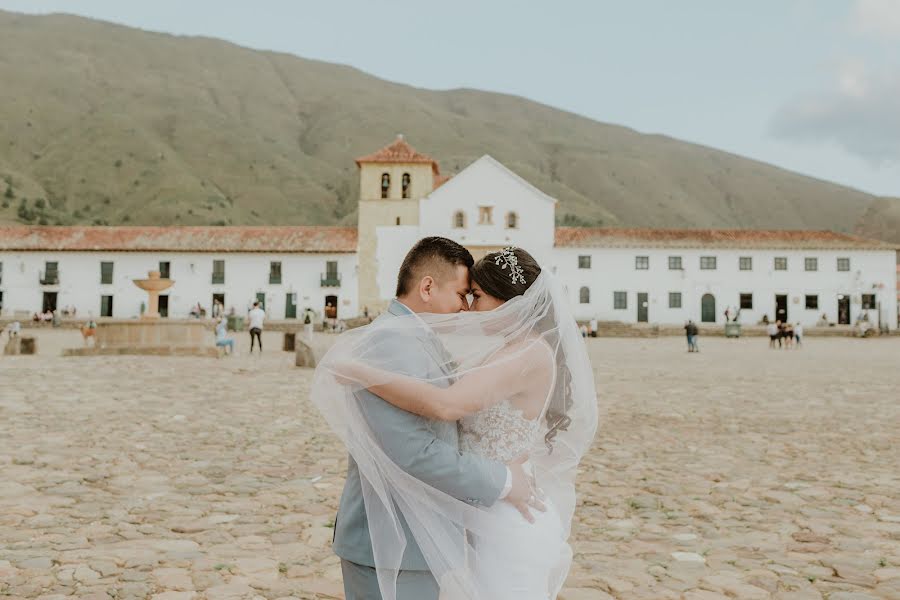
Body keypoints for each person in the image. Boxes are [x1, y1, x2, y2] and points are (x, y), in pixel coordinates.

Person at [314, 240, 597, 600]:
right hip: (422, 530)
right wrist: (504, 479)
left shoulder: (524, 352)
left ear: (510, 302)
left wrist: (360, 372)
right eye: (466, 294)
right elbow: (414, 450)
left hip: (500, 519)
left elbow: (447, 406)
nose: (467, 308)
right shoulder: (394, 341)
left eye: (475, 296)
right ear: (428, 287)